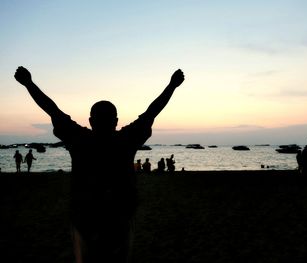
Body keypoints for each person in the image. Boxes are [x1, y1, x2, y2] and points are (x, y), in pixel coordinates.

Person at [14, 66, 185, 263]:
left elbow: (51, 109)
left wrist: (29, 83)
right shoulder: (125, 140)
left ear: (90, 120)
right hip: (119, 217)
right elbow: (151, 112)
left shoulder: (79, 139)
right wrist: (172, 86)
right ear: (116, 121)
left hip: (85, 217)